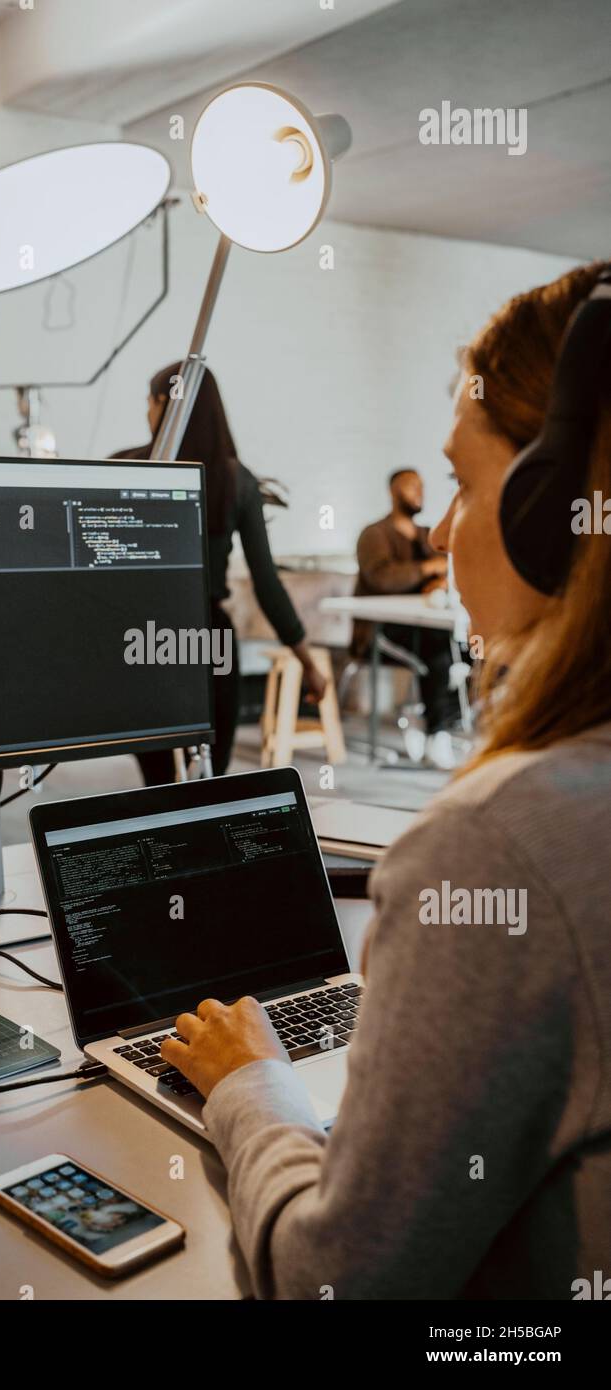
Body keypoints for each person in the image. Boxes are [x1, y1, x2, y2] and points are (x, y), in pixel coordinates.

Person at [159, 261, 611, 1299]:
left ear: (553, 504)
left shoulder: (504, 843)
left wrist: (246, 1082)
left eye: (460, 479)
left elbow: (334, 1279)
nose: (443, 529)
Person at [114, 362, 327, 784]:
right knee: (212, 777)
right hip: (207, 635)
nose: (146, 413)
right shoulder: (235, 479)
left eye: (148, 402)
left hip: (142, 635)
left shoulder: (125, 467)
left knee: (157, 782)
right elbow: (267, 582)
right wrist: (308, 660)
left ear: (163, 403)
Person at [353, 468, 461, 765]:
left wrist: (437, 581)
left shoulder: (427, 536)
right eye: (411, 486)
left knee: (475, 652)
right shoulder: (374, 535)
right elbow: (382, 579)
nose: (419, 492)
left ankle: (434, 720)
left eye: (422, 487)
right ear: (393, 491)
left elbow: (442, 572)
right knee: (439, 651)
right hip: (382, 631)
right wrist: (428, 570)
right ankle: (436, 731)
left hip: (428, 626)